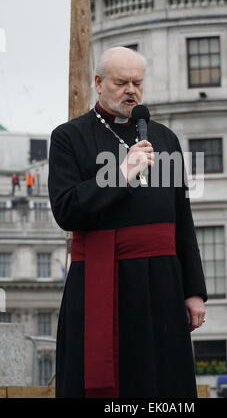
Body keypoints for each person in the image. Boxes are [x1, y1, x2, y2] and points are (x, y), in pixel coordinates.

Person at [48, 46, 207, 399]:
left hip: (162, 281)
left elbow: (182, 217)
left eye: (137, 82)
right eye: (121, 83)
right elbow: (66, 211)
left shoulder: (165, 139)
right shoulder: (68, 137)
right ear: (99, 83)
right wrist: (121, 174)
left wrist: (193, 290)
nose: (131, 90)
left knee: (162, 385)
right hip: (101, 279)